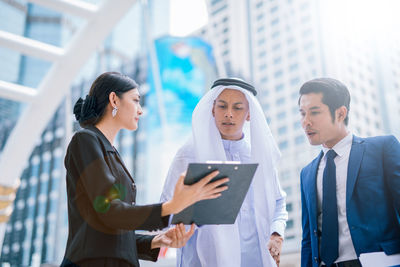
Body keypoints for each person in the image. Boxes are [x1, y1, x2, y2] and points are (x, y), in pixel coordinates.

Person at [61, 72, 229, 267]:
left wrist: (157, 241)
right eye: (135, 100)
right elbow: (108, 210)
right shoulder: (85, 140)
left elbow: (111, 231)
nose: (140, 110)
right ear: (114, 99)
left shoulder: (110, 152)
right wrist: (171, 207)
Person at [161, 78, 288, 267]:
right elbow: (165, 208)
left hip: (256, 259)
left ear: (249, 114)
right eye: (222, 106)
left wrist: (277, 233)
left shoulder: (259, 155)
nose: (229, 114)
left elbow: (279, 201)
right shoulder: (189, 155)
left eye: (237, 108)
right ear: (212, 110)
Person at [298, 78, 400, 267]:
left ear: (340, 113)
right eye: (302, 113)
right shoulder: (307, 173)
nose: (306, 122)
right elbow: (307, 239)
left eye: (314, 112)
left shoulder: (383, 149)